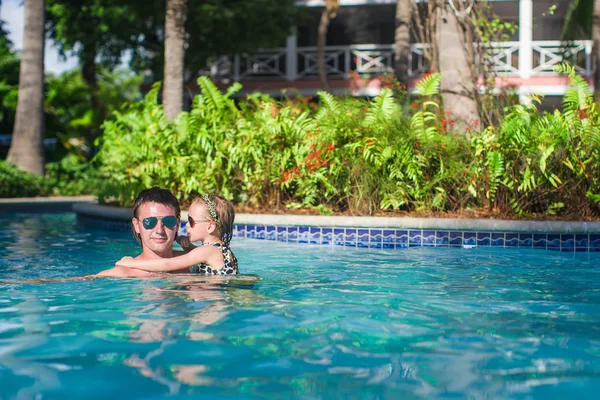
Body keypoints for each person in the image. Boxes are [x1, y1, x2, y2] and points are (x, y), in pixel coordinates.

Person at [115, 194, 239, 275]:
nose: (187, 225)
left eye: (191, 221)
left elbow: (167, 264)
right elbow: (199, 258)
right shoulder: (218, 250)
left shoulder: (208, 251)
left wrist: (131, 263)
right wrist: (187, 246)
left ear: (210, 227)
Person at [97, 187, 186, 277]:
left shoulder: (195, 264)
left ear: (177, 225)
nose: (159, 230)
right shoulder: (121, 274)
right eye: (150, 222)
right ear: (136, 225)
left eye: (168, 221)